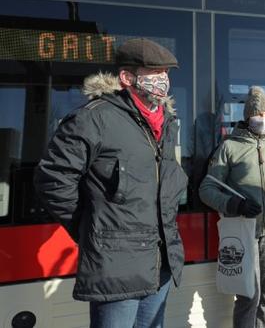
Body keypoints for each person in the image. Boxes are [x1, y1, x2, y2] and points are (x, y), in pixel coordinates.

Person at [34, 38, 188, 327]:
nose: (163, 80)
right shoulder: (94, 118)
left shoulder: (165, 122)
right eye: (154, 73)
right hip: (116, 265)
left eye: (166, 73)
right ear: (127, 78)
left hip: (161, 262)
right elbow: (52, 180)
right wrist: (90, 228)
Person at [199, 86, 265, 328]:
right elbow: (207, 188)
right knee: (249, 296)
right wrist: (234, 204)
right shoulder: (230, 147)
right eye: (258, 115)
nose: (263, 119)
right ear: (247, 117)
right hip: (243, 232)